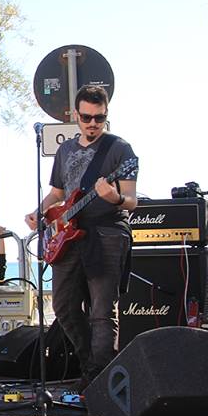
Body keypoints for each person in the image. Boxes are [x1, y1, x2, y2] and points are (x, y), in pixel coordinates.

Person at [25, 85, 137, 391]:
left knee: (102, 311)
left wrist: (113, 197)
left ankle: (99, 378)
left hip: (107, 232)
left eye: (99, 118)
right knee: (63, 306)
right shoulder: (65, 150)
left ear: (106, 115)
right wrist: (39, 212)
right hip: (69, 235)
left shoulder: (120, 150)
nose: (92, 123)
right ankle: (93, 367)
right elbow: (58, 194)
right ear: (76, 115)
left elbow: (131, 200)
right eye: (86, 117)